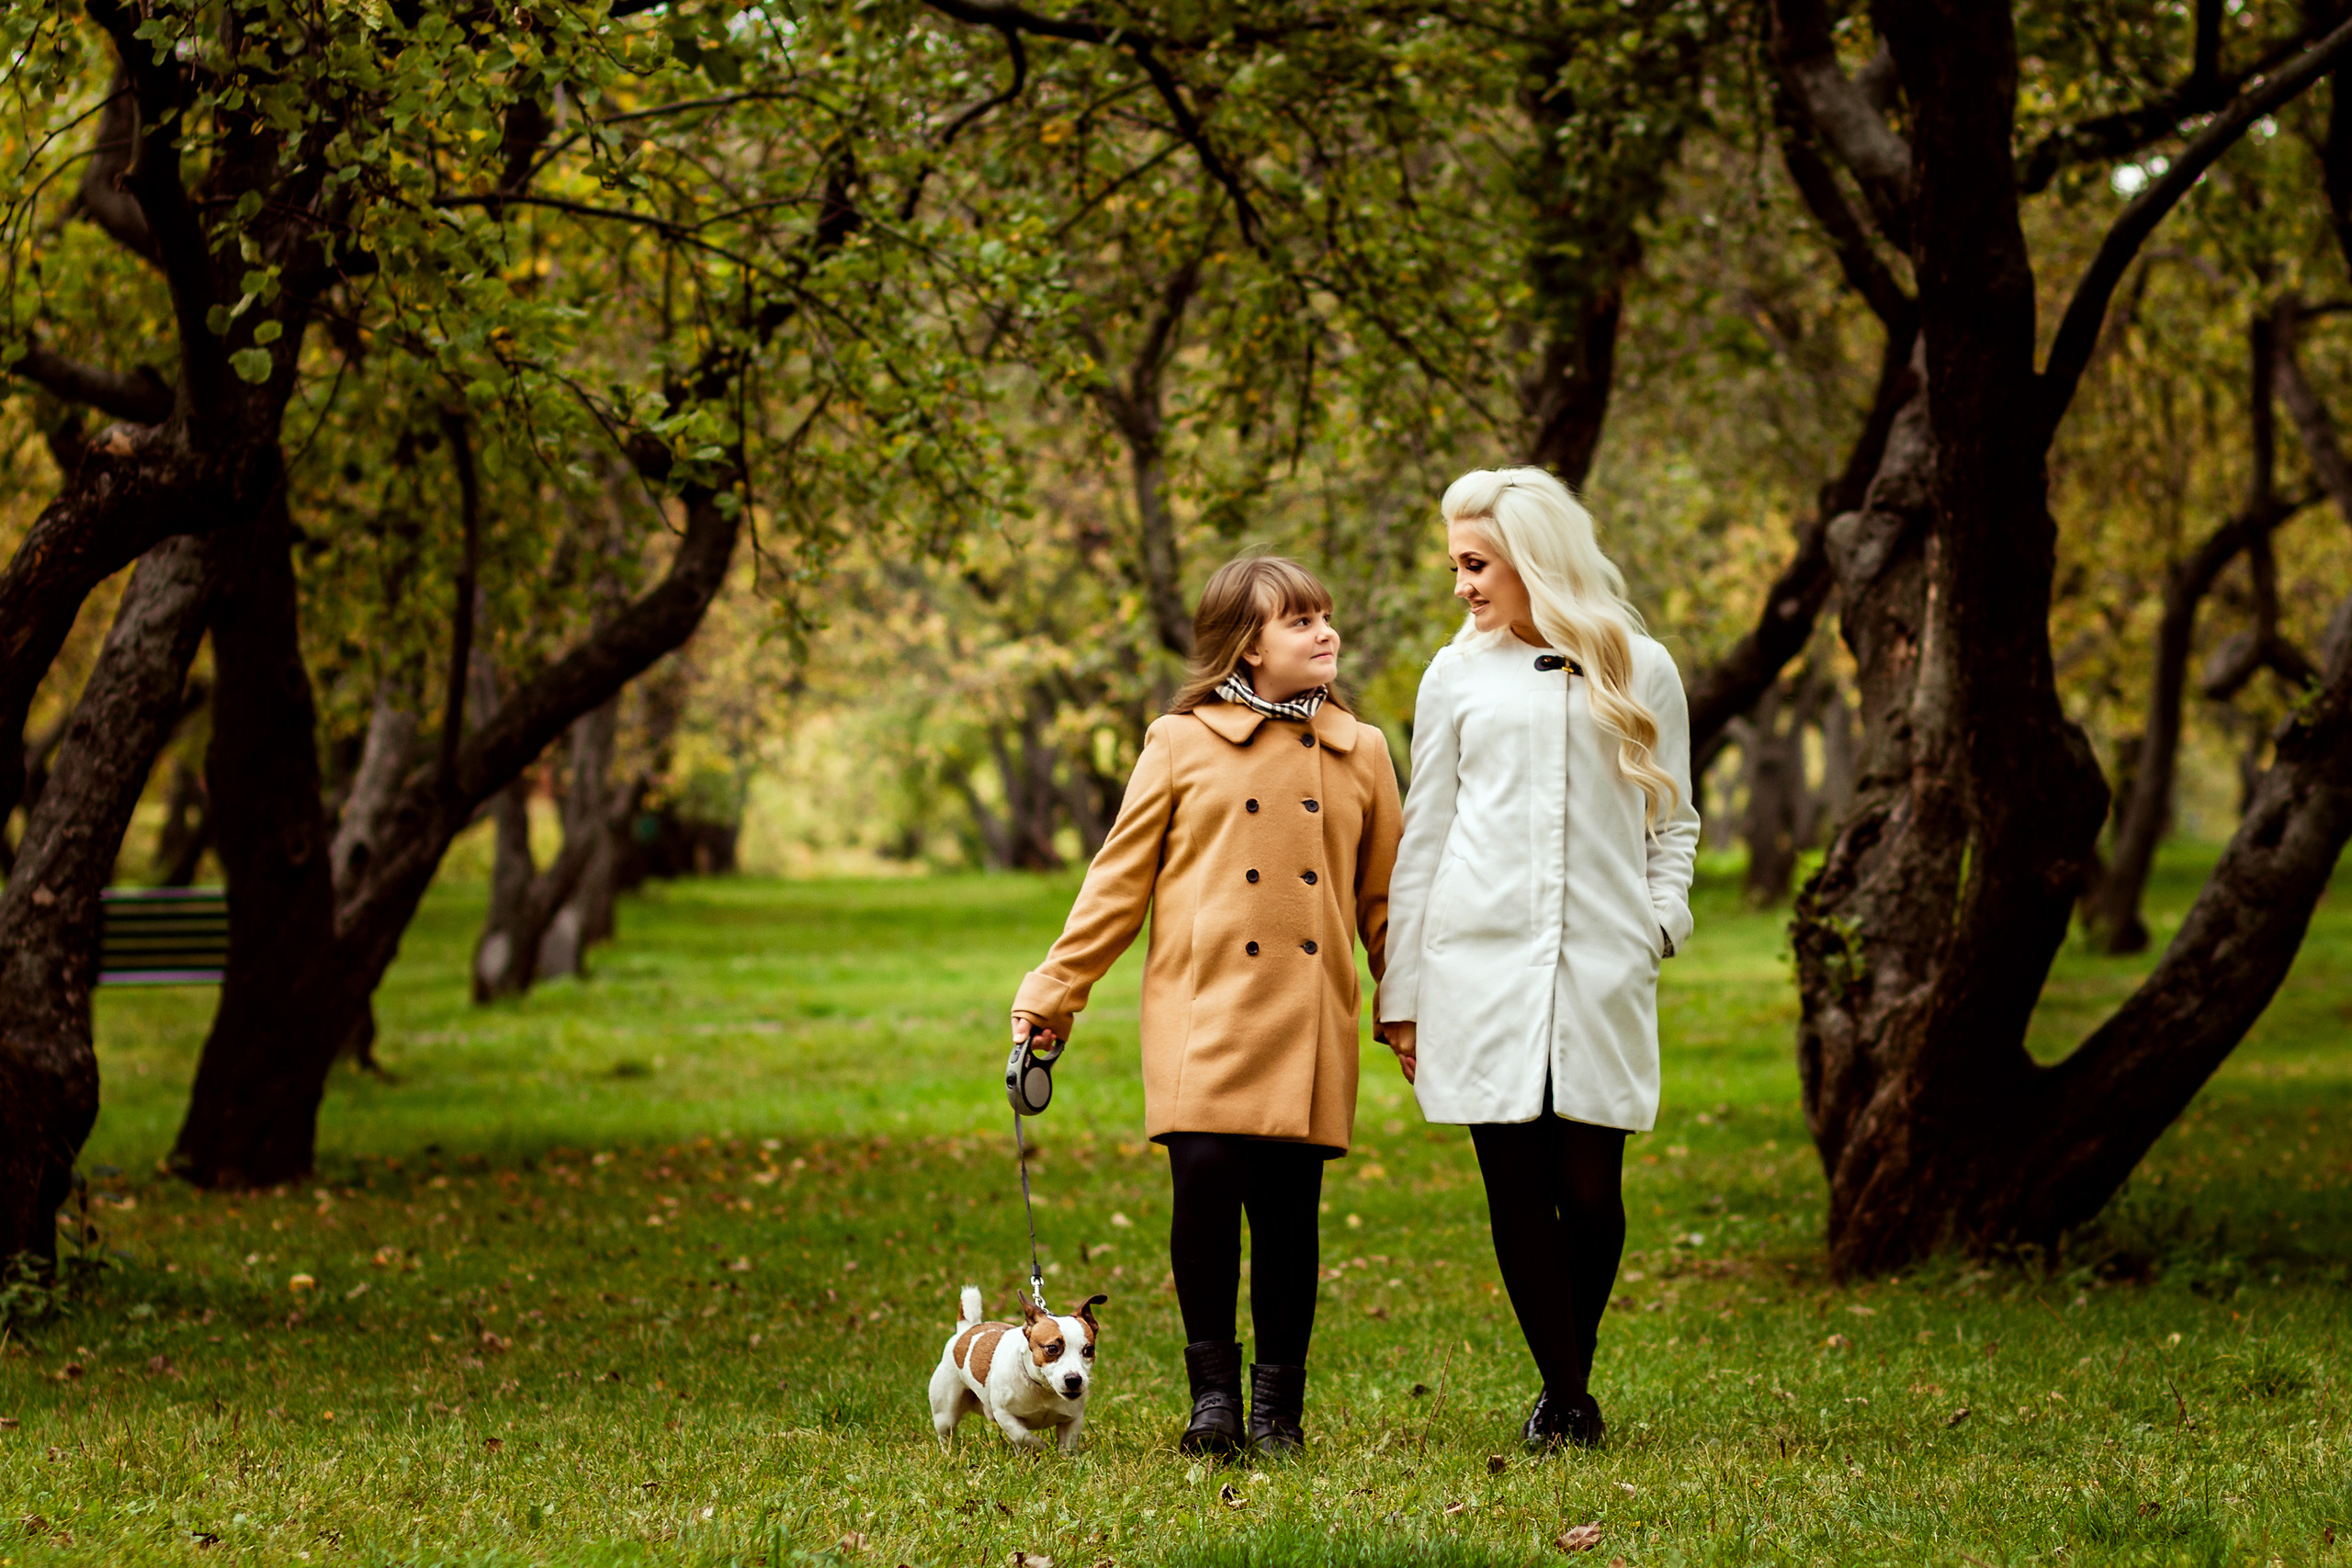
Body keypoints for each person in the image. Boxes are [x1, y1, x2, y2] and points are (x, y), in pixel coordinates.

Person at [1009, 555, 1403, 1459]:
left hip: (1308, 1016)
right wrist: (1055, 990)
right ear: (1246, 644)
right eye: (1299, 620)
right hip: (1203, 1011)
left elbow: (1389, 902)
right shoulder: (1179, 742)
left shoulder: (1363, 750)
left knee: (1289, 1215)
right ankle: (1213, 1403)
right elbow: (1118, 880)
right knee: (1204, 1192)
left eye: (1327, 615)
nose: (1324, 633)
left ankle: (1277, 1414)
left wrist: (1404, 1008)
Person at [1375, 468, 1701, 1451]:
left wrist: (1659, 925)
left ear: (1531, 559)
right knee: (1516, 1194)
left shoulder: (1642, 667)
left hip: (1602, 964)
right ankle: (1569, 1401)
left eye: (1475, 564)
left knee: (1593, 1205)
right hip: (1475, 967)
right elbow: (1424, 833)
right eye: (1456, 566)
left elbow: (1672, 822)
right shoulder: (1452, 674)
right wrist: (1403, 992)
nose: (1463, 586)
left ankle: (1566, 1385)